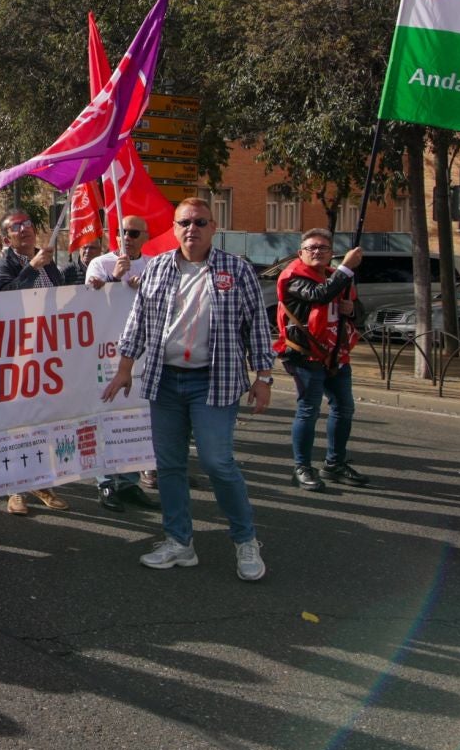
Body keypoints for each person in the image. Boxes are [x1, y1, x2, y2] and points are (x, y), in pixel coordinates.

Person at [101, 198, 271, 581]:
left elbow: (257, 325)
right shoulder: (158, 268)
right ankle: (180, 543)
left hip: (215, 380)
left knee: (217, 462)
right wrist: (125, 368)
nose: (191, 229)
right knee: (169, 466)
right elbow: (138, 322)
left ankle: (245, 541)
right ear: (174, 229)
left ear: (213, 228)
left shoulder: (237, 270)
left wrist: (264, 377)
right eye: (184, 223)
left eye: (199, 222)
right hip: (166, 380)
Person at [0, 209, 69, 513]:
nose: (24, 230)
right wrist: (32, 268)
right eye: (15, 227)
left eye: (28, 225)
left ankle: (40, 483)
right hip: (15, 355)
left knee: (42, 422)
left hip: (47, 356)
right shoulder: (3, 265)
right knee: (15, 425)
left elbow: (64, 301)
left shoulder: (51, 265)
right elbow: (3, 298)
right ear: (6, 237)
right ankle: (13, 490)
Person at [274, 229, 368, 491]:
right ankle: (302, 467)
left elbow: (358, 311)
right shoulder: (293, 277)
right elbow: (319, 295)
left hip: (335, 354)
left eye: (323, 248)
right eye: (311, 248)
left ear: (330, 253)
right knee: (308, 410)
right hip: (305, 355)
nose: (317, 252)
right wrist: (346, 268)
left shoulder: (333, 276)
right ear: (300, 253)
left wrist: (352, 310)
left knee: (344, 408)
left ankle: (334, 463)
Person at [85, 217, 156, 511]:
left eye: (134, 232)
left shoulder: (154, 265)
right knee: (106, 414)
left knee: (136, 417)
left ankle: (128, 483)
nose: (127, 236)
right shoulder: (100, 263)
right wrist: (115, 280)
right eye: (121, 231)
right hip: (106, 353)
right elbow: (87, 303)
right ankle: (105, 483)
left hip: (142, 353)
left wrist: (146, 287)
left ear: (145, 236)